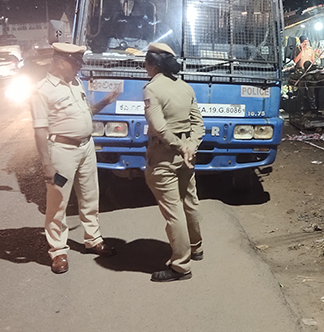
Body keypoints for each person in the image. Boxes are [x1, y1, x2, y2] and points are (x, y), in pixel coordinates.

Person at [30, 43, 121, 274]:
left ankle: (93, 239)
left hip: (86, 147)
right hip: (62, 151)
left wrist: (105, 102)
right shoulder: (42, 91)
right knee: (58, 201)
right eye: (76, 63)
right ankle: (58, 250)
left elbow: (86, 112)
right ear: (61, 63)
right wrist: (46, 164)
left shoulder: (75, 83)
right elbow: (39, 130)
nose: (79, 67)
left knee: (90, 195)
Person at [142, 41, 205, 282]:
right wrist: (190, 146)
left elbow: (159, 128)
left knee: (173, 211)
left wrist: (179, 146)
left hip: (163, 156)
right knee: (190, 201)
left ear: (153, 65)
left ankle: (180, 266)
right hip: (187, 154)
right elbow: (198, 123)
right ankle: (196, 247)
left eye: (146, 63)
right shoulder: (185, 87)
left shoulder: (152, 89)